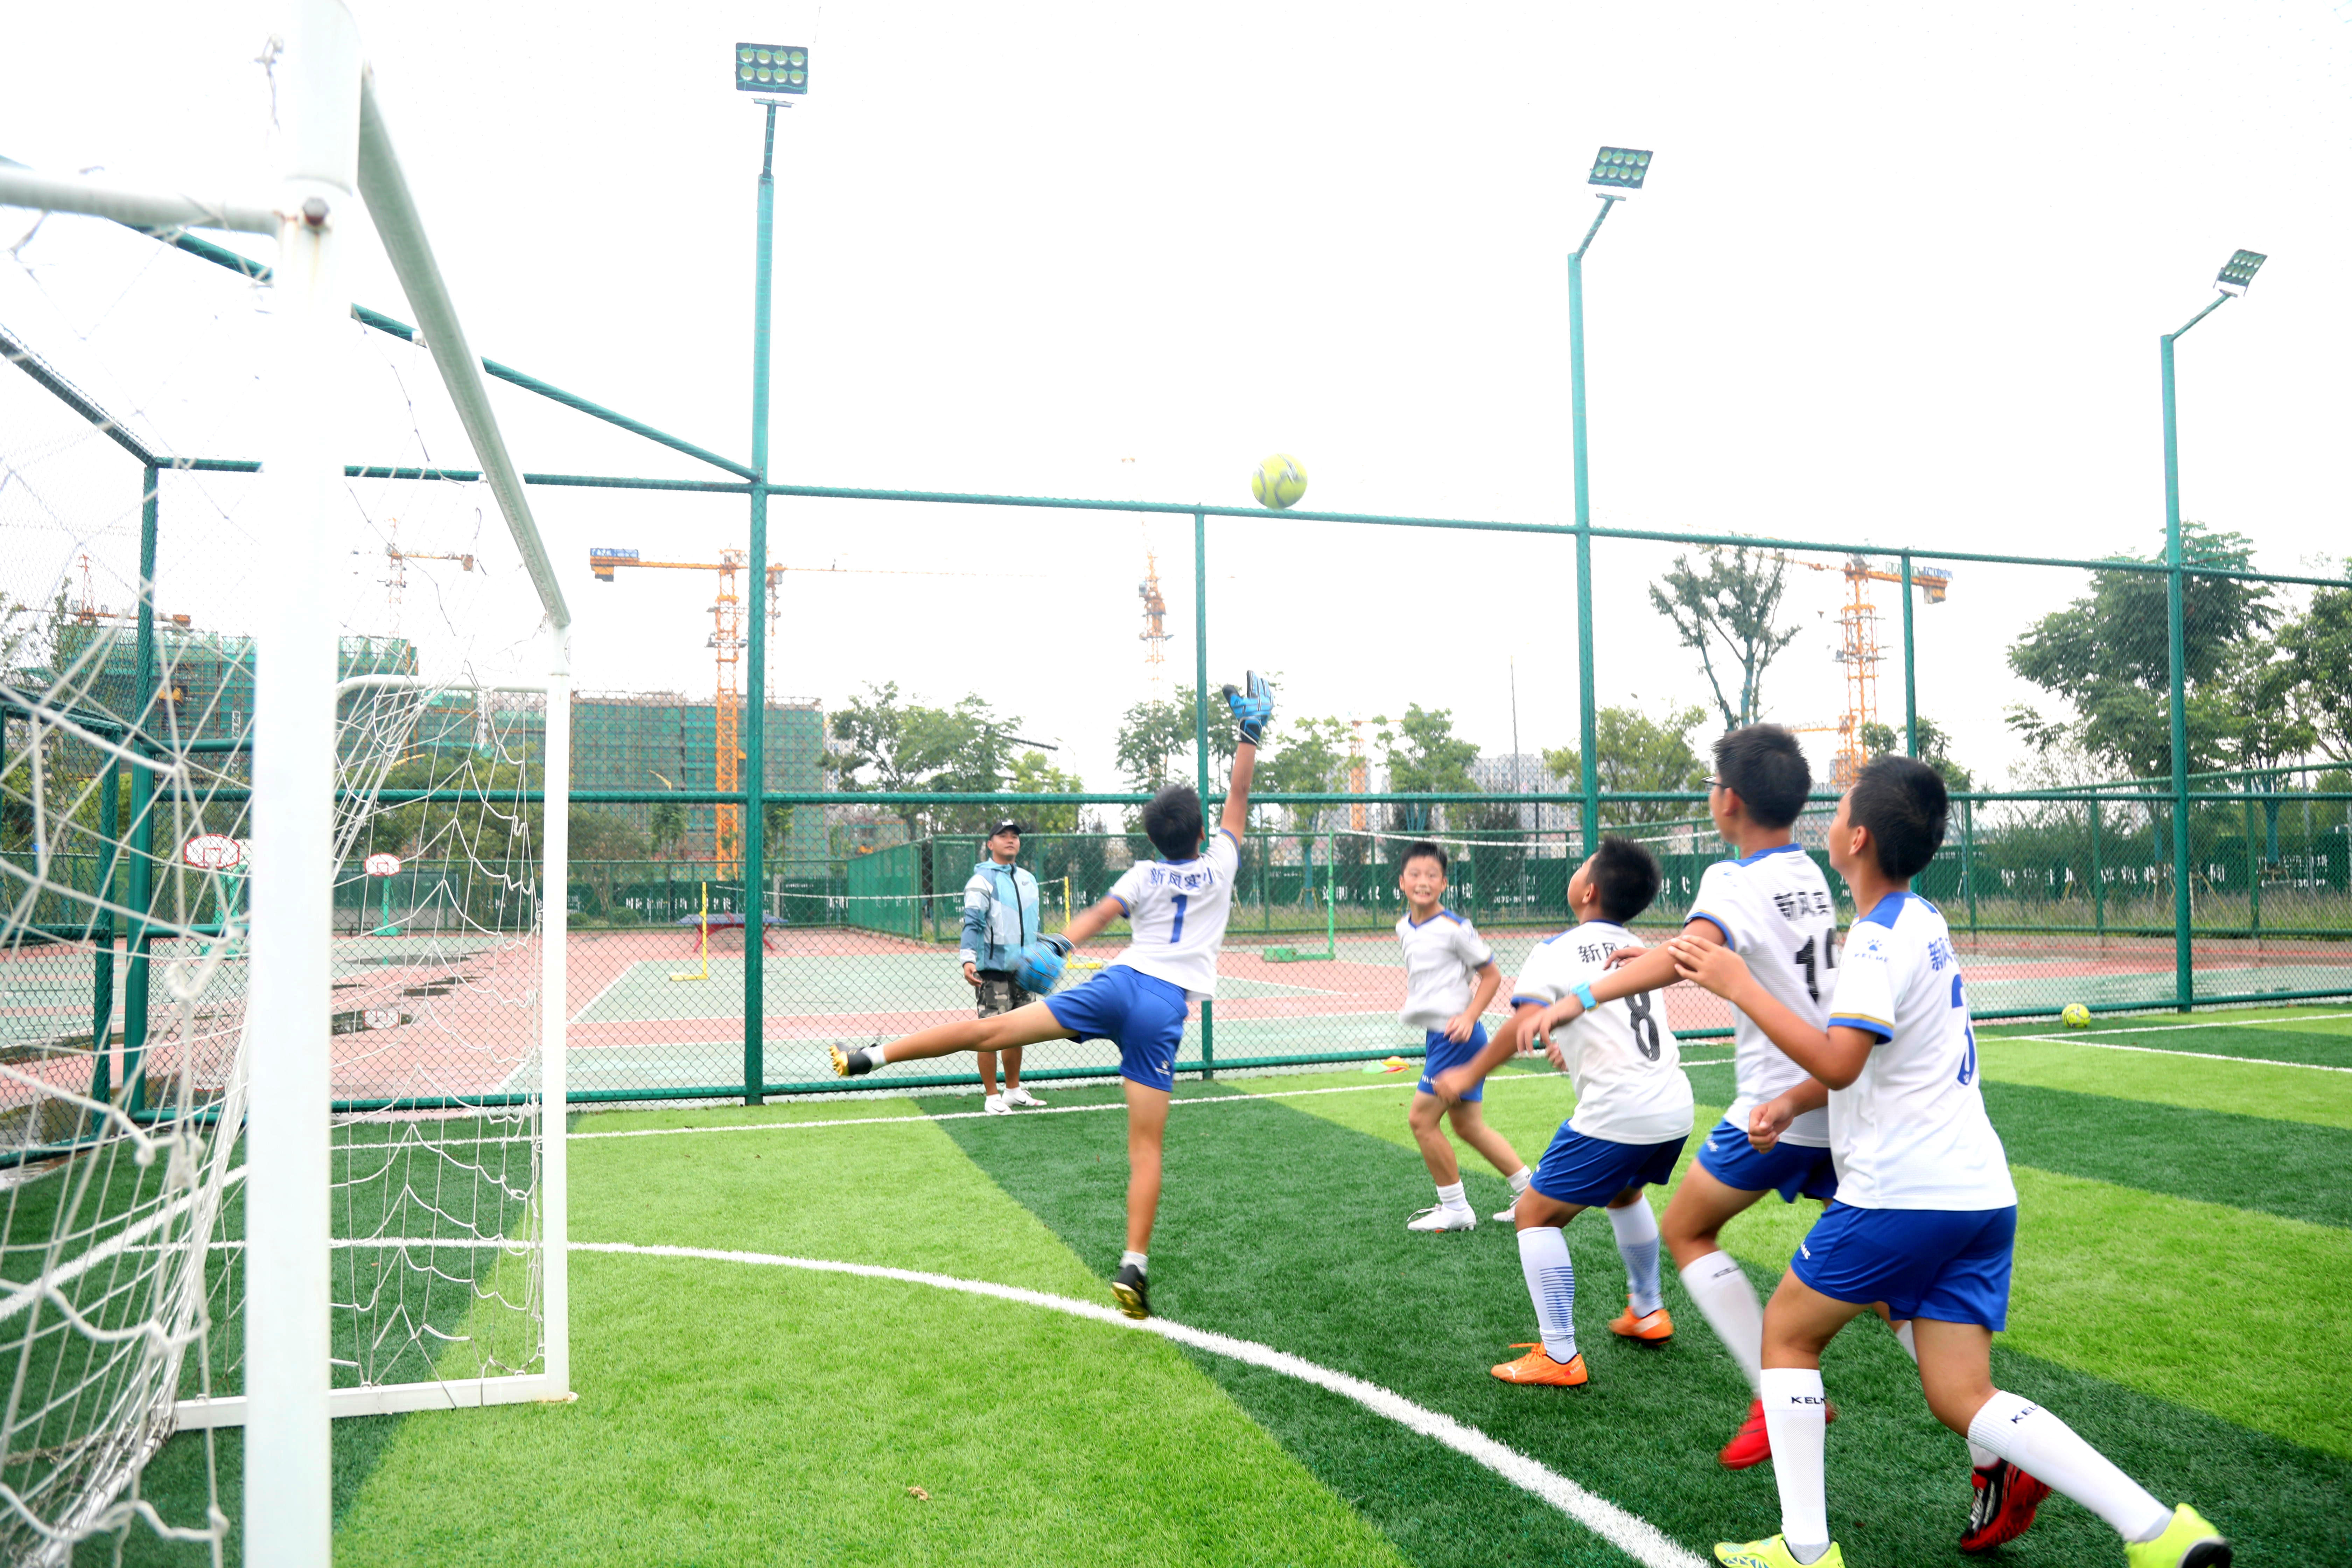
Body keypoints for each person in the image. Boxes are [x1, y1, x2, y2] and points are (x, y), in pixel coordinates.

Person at [1672, 757, 2226, 1568]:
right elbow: (1877, 1060)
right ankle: (2160, 1532)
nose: (1829, 821)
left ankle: (1804, 1549)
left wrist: (1736, 984)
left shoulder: (1873, 938)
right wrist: (1790, 1105)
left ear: (1856, 838)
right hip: (1979, 1197)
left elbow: (1842, 1061)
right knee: (1963, 1396)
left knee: (1787, 1337)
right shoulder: (1922, 919)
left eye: (1840, 812)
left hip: (1903, 1195)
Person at [834, 672, 1274, 1322]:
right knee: (1145, 1148)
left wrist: (1057, 949)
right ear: (1201, 831)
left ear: (1153, 837)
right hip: (1161, 1011)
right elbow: (1238, 794)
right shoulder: (1223, 862)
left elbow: (1099, 914)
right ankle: (1134, 1265)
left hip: (1117, 986)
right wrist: (1249, 734)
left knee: (989, 1032)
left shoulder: (1144, 872)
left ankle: (876, 1054)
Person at [1529, 724, 1847, 1465]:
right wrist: (1664, 950)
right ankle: (1993, 1438)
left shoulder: (1729, 878)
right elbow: (1705, 946)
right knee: (1890, 1281)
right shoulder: (1810, 872)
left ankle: (1777, 1391)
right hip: (1832, 1094)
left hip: (1776, 1103)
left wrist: (1577, 996)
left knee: (1689, 1229)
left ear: (1728, 799)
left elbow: (1685, 958)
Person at [1429, 837, 1694, 1388]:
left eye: (1581, 867)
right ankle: (1647, 1311)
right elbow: (1608, 1020)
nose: (1575, 873)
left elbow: (1520, 1024)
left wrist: (1467, 1074)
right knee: (1625, 1192)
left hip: (1619, 1112)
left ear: (1589, 890)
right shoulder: (1639, 947)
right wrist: (1566, 1035)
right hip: (1672, 1106)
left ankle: (1559, 1355)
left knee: (1533, 1214)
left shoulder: (1555, 949)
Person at [1394, 841, 1532, 1232]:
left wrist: (1470, 1017)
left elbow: (1492, 975)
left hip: (1458, 1038)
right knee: (1468, 1126)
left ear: (1444, 883)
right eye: (1416, 875)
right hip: (1437, 1036)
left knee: (1421, 1120)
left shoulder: (1457, 929)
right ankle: (1530, 1192)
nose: (1424, 882)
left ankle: (1455, 1208)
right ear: (1402, 881)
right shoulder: (1404, 927)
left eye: (1432, 875)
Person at [959, 818, 1049, 1114]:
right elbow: (972, 924)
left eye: (1015, 836)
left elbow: (1035, 923)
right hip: (992, 969)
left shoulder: (1028, 879)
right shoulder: (981, 881)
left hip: (1025, 968)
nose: (1010, 840)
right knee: (989, 1033)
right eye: (1003, 836)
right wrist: (968, 959)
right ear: (990, 844)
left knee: (1018, 1031)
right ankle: (991, 1096)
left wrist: (1043, 952)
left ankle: (1012, 1091)